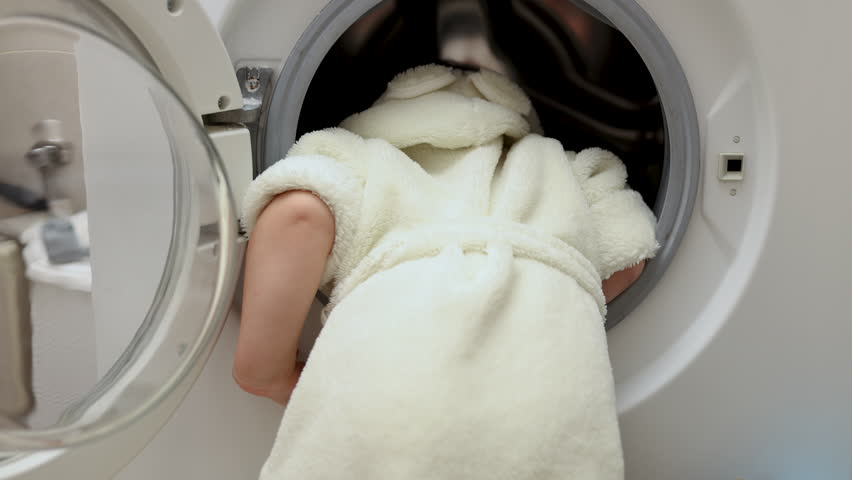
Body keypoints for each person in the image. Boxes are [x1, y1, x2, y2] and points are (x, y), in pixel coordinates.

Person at [235, 64, 658, 479]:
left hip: (391, 404)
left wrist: (269, 373)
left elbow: (298, 216)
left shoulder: (361, 157)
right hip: (544, 409)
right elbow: (632, 251)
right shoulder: (569, 170)